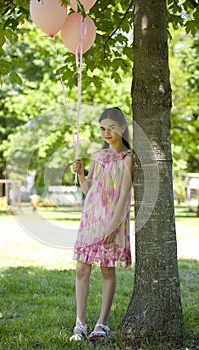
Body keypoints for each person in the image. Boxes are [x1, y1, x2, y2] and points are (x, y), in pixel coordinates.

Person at [70, 107, 133, 342]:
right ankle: (80, 323)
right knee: (82, 268)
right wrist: (81, 175)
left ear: (123, 128)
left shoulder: (128, 158)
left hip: (112, 222)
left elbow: (124, 195)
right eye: (103, 128)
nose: (106, 133)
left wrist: (113, 226)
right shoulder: (97, 157)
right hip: (91, 220)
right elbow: (89, 191)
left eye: (111, 128)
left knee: (107, 269)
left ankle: (102, 323)